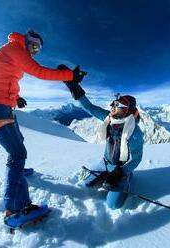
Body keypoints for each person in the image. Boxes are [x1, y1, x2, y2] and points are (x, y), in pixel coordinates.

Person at [0, 30, 87, 223]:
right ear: (26, 40)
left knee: (18, 143)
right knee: (17, 153)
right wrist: (70, 76)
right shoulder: (15, 49)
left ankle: (19, 171)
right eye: (34, 44)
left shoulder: (14, 52)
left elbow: (4, 77)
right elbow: (40, 72)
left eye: (38, 48)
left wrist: (16, 98)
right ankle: (14, 210)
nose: (34, 50)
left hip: (1, 106)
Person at [58, 64, 144, 209]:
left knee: (113, 204)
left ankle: (128, 178)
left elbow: (136, 159)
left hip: (121, 169)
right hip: (105, 162)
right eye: (115, 103)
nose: (113, 107)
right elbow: (90, 107)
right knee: (85, 184)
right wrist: (73, 86)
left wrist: (121, 172)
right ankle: (106, 175)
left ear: (127, 111)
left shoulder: (135, 133)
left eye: (119, 105)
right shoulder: (109, 119)